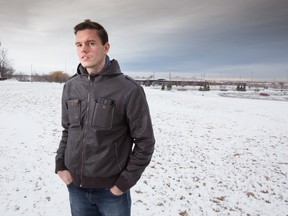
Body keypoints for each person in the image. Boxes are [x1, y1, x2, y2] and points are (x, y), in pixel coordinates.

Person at [55, 19, 155, 216]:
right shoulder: (70, 86)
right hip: (75, 188)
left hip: (111, 193)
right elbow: (68, 130)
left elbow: (145, 141)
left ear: (106, 47)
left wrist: (122, 184)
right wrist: (60, 165)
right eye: (79, 44)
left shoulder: (129, 89)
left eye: (91, 43)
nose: (83, 49)